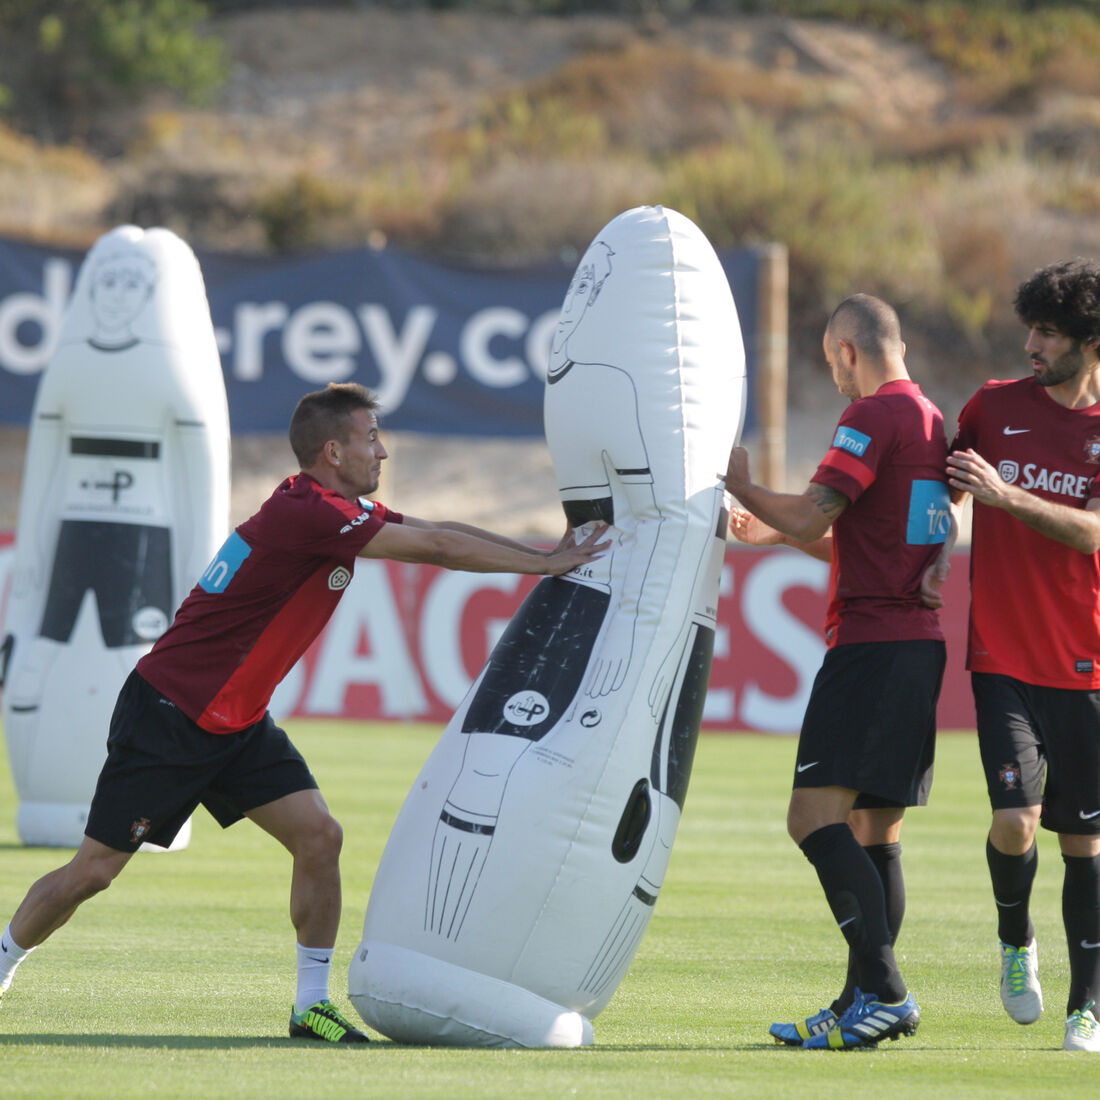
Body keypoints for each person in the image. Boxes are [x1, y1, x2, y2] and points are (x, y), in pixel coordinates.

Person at [0, 381, 608, 1043]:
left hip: (234, 719)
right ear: (331, 451)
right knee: (93, 873)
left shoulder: (326, 506)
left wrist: (549, 552)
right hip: (172, 713)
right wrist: (550, 566)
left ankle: (309, 1006)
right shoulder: (313, 516)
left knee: (320, 837)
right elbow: (438, 551)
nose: (383, 451)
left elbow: (436, 532)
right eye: (370, 438)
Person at [725, 293, 950, 1049]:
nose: (835, 379)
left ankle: (886, 992)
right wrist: (774, 532)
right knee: (872, 828)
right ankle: (862, 999)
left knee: (811, 817)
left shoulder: (872, 416)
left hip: (871, 644)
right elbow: (865, 536)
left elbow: (818, 511)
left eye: (831, 363)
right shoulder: (928, 417)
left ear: (850, 351)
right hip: (915, 644)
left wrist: (741, 484)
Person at [946, 258, 1100, 1053]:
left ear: (1090, 341)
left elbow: (1092, 533)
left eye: (1049, 332)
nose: (1032, 344)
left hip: (1086, 665)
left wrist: (1006, 496)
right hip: (1000, 654)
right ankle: (1015, 943)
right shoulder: (992, 407)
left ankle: (1088, 1006)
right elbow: (938, 491)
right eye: (1030, 328)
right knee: (1016, 821)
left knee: (1085, 844)